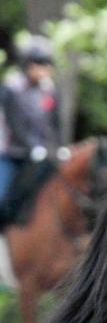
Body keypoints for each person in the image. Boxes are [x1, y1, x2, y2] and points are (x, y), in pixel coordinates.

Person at [0, 35, 60, 216]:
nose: (43, 70)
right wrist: (32, 146)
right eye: (39, 64)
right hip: (10, 153)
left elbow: (55, 121)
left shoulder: (48, 90)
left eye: (46, 65)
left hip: (38, 156)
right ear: (27, 64)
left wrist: (59, 146)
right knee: (2, 196)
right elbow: (14, 123)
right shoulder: (12, 88)